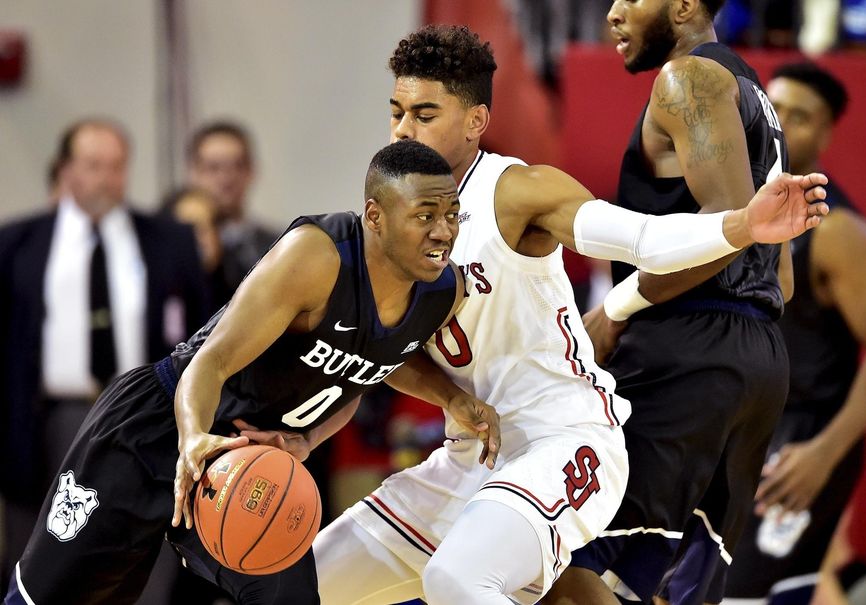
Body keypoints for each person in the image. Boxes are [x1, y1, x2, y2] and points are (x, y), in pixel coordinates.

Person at [312, 25, 827, 605]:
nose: (404, 130)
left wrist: (740, 226)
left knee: (457, 581)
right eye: (397, 112)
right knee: (300, 584)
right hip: (471, 456)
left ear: (476, 121)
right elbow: (376, 354)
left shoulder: (516, 191)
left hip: (563, 441)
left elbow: (640, 239)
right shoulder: (385, 226)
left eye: (425, 114)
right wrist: (298, 437)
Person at [3, 140, 502, 604]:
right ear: (375, 215)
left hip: (249, 466)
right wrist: (194, 438)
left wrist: (448, 399)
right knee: (48, 597)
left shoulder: (440, 292)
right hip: (159, 426)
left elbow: (372, 368)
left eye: (452, 214)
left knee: (291, 599)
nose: (444, 231)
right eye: (426, 215)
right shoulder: (316, 257)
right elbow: (210, 362)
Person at [545, 1, 799, 604]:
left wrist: (617, 307)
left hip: (687, 350)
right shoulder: (751, 93)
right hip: (759, 356)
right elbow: (781, 274)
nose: (611, 13)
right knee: (676, 587)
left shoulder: (686, 78)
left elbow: (728, 233)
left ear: (683, 5)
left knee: (560, 561)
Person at [0, 119, 210, 594]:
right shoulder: (18, 243)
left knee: (139, 552)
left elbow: (205, 335)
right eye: (93, 166)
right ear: (68, 170)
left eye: (116, 167)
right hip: (50, 418)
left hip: (143, 416)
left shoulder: (169, 242)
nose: (106, 179)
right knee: (42, 556)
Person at [722, 62, 866, 605]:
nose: (782, 125)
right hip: (743, 431)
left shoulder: (837, 233)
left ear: (827, 133)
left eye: (801, 117)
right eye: (775, 110)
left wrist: (824, 452)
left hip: (802, 443)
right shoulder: (736, 209)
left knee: (750, 596)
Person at [186, 120, 279, 295]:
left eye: (237, 166)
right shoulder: (174, 250)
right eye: (213, 168)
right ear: (193, 173)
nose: (226, 178)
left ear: (252, 171)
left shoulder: (278, 246)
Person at [161, 186, 235, 309]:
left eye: (211, 224)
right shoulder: (160, 304)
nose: (204, 236)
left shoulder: (239, 292)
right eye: (191, 228)